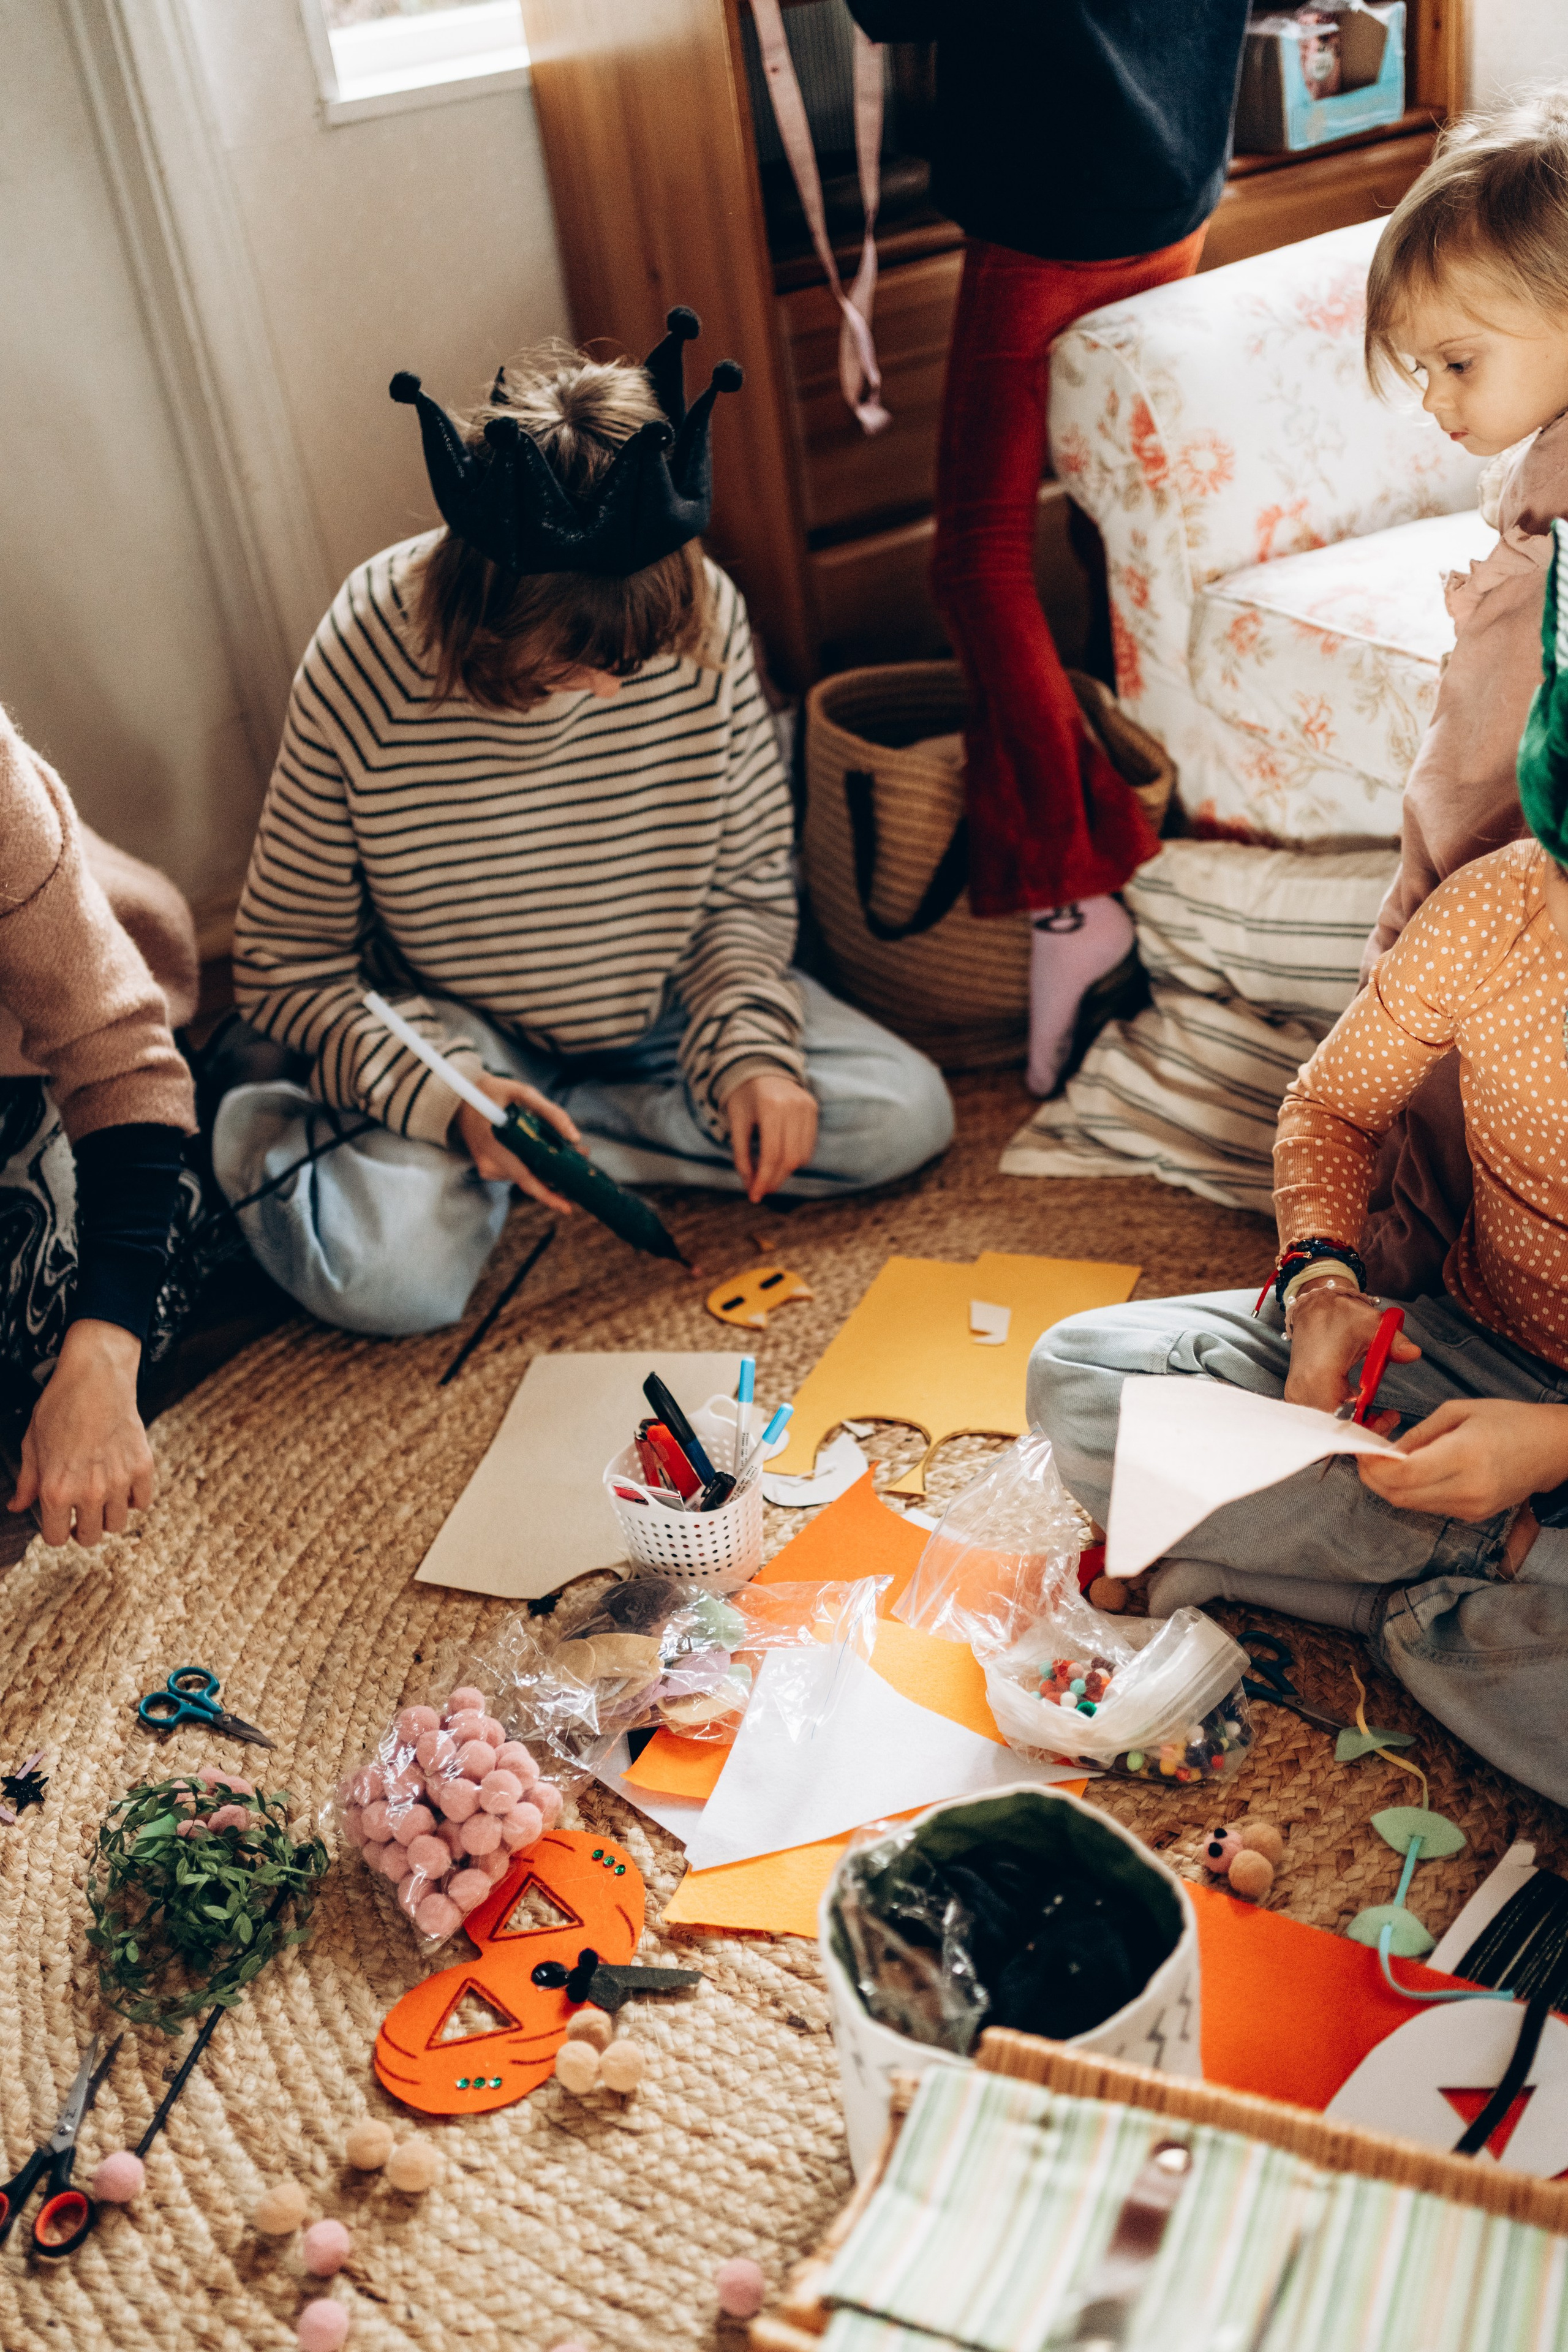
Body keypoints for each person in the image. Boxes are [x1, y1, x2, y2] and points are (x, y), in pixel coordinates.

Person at [214, 320, 954, 1337]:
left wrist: (749, 1053)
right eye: (569, 666)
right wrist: (457, 1095)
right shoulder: (366, 654)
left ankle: (528, 1159)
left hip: (658, 1022)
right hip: (457, 1034)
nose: (607, 692)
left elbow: (743, 889)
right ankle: (442, 1137)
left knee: (904, 1115)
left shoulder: (704, 618)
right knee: (387, 1282)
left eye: (630, 664)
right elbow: (289, 968)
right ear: (487, 613)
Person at [1027, 523, 1568, 1808]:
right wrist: (1322, 1284)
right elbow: (1329, 1106)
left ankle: (1404, 1593)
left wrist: (1545, 1451)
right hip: (1460, 1352)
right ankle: (1458, 1603)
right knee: (1083, 1377)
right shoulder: (1501, 904)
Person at [847, 0, 1251, 1095]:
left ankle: (1078, 892)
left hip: (1053, 210)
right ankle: (1147, 835)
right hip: (1175, 175)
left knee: (972, 561)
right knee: (1106, 521)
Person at [1354, 91, 1568, 1297]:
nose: (1434, 403)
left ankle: (1411, 1273)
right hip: (1482, 830)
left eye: (1454, 363)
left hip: (1512, 852)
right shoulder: (1535, 473)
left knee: (1447, 1072)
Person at [0, 706, 197, 1547]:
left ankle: (198, 1180)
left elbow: (116, 1055)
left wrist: (105, 1349)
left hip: (53, 1041)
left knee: (62, 1347)